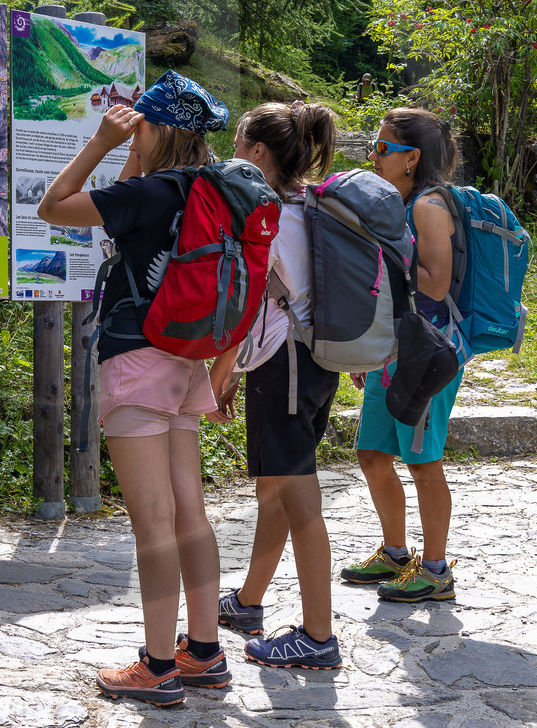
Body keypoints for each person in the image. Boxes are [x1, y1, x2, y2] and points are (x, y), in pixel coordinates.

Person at [37, 70, 232, 708]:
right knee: (190, 514)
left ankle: (155, 666)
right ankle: (202, 653)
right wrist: (133, 155)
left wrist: (96, 144)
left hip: (137, 362)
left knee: (152, 521)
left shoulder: (151, 193)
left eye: (137, 124)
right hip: (184, 361)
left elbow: (55, 206)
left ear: (156, 128)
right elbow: (129, 232)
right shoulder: (209, 189)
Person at [209, 101, 342, 669]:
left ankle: (317, 637)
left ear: (258, 152)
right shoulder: (311, 206)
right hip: (310, 360)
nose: (235, 157)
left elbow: (245, 306)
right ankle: (248, 602)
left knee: (298, 495)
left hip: (282, 363)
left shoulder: (266, 215)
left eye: (240, 146)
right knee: (274, 491)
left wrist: (217, 380)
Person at [340, 107, 463, 602]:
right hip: (393, 347)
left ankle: (435, 570)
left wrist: (386, 258)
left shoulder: (429, 207)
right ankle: (395, 553)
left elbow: (433, 283)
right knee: (372, 453)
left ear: (411, 157)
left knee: (422, 462)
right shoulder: (400, 203)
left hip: (427, 352)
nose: (374, 154)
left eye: (383, 148)